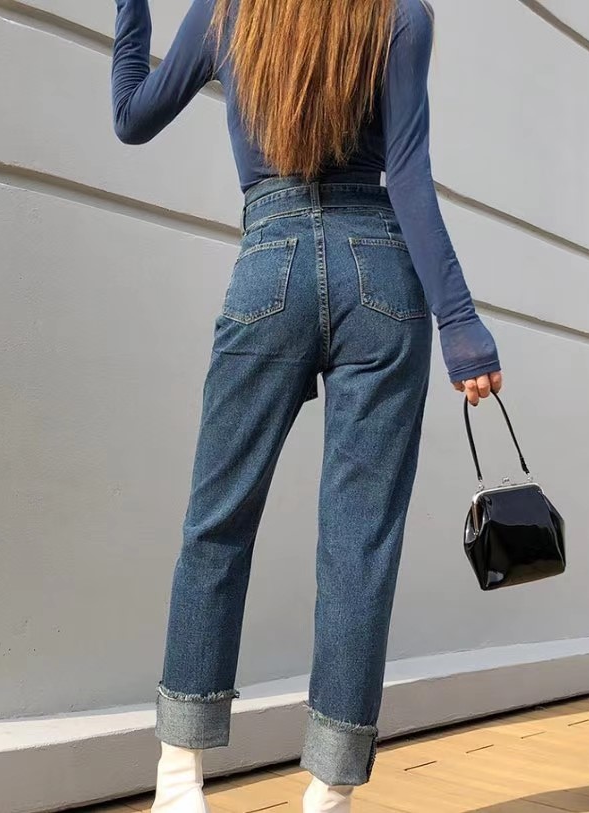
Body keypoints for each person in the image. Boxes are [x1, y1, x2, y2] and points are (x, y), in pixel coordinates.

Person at [111, 0, 503, 810]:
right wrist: (460, 324)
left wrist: (129, 9)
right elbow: (410, 173)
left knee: (216, 524)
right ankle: (329, 791)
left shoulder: (226, 11)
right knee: (360, 546)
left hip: (270, 264)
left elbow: (132, 118)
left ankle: (178, 780)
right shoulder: (401, 15)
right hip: (382, 276)